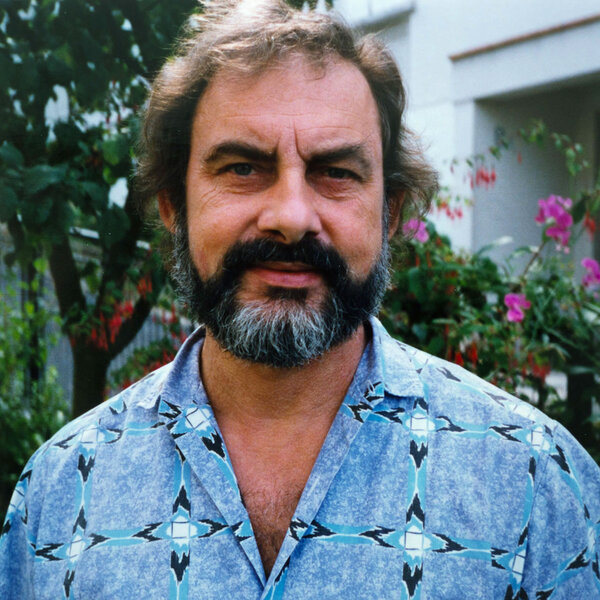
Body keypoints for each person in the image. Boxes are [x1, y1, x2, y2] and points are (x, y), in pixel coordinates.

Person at [2, 0, 600, 598]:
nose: (291, 217)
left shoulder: (539, 483)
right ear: (171, 204)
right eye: (242, 167)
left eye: (335, 171)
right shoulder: (55, 496)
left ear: (389, 212)